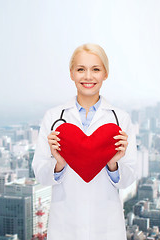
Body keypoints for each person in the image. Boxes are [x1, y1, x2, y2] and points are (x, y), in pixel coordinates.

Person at [32, 43, 137, 240]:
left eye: (95, 69)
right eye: (81, 69)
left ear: (105, 74)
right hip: (65, 226)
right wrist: (59, 163)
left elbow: (129, 178)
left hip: (107, 228)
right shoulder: (53, 117)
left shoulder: (120, 119)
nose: (88, 76)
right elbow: (41, 174)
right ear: (71, 73)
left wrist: (113, 163)